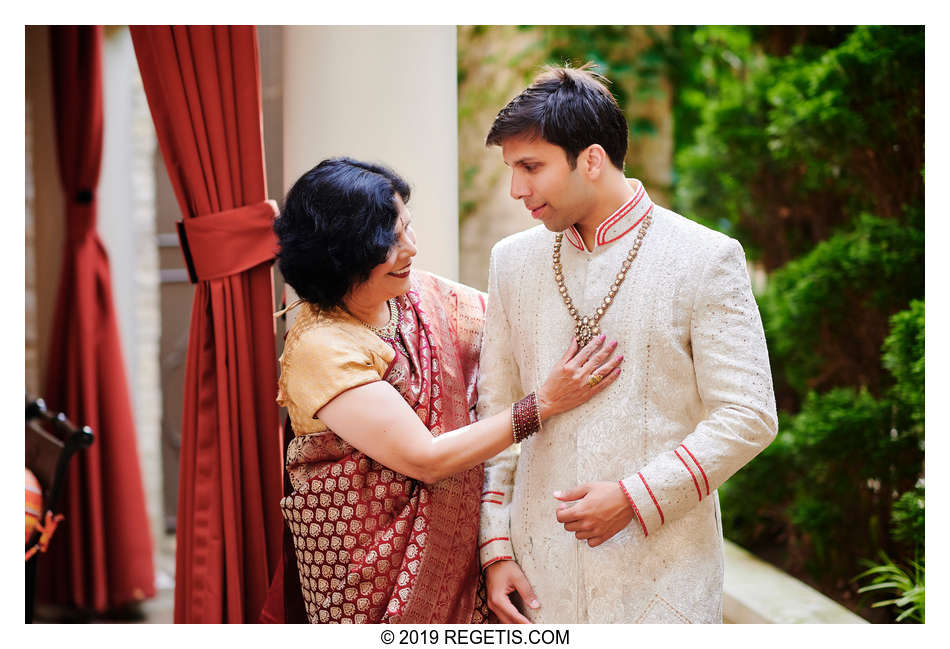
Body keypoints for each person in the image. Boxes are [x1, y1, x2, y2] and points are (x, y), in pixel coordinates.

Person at [259, 157, 622, 624]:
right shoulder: (320, 345)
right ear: (344, 254)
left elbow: (510, 324)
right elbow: (424, 459)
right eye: (391, 240)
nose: (411, 248)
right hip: (367, 579)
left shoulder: (418, 294)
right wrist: (545, 403)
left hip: (457, 555)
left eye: (407, 227)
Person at [476, 65, 778, 623]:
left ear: (590, 159)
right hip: (542, 583)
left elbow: (749, 413)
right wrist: (495, 548)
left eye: (531, 167)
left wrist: (636, 496)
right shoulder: (512, 262)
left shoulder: (703, 258)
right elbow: (495, 410)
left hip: (664, 578)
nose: (517, 189)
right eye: (511, 169)